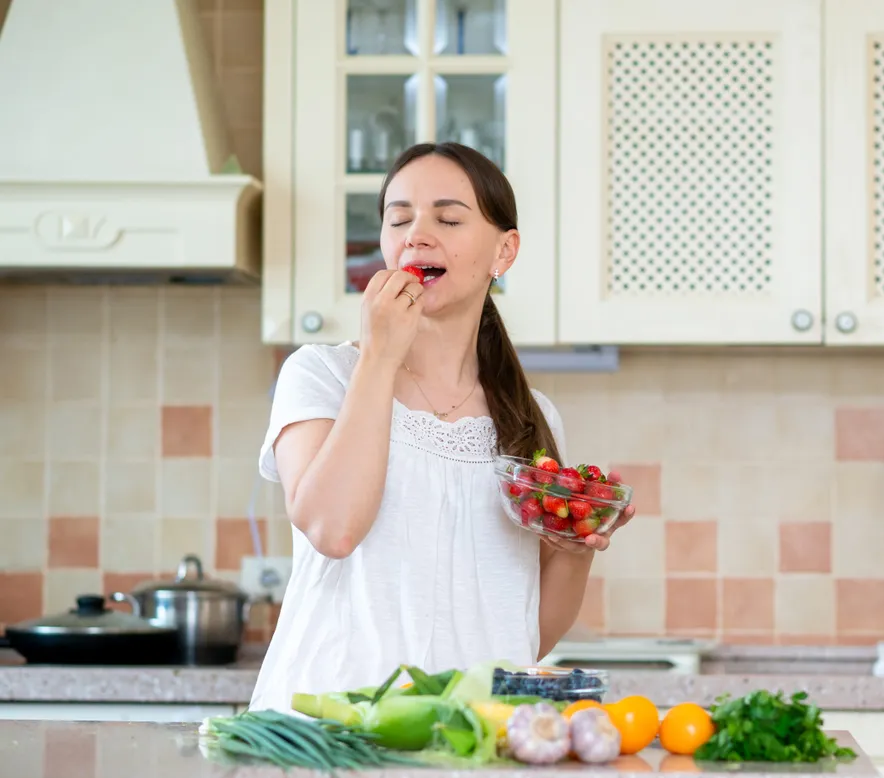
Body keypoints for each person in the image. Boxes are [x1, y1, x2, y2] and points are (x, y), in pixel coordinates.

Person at [247, 142, 635, 714]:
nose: (416, 236)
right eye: (399, 219)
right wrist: (380, 356)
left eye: (448, 219)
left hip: (466, 733)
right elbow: (333, 530)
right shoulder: (322, 374)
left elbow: (523, 633)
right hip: (329, 729)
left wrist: (579, 547)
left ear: (504, 251)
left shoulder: (530, 417)